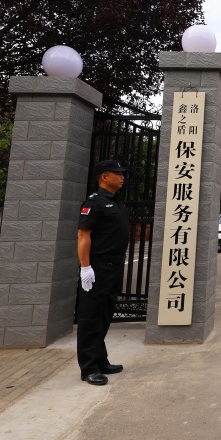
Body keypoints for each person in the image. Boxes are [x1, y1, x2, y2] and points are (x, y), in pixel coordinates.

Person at [76, 160, 131, 386]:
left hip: (114, 267)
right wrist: (85, 267)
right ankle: (88, 368)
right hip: (98, 267)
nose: (122, 176)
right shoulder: (94, 203)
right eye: (117, 173)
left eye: (122, 173)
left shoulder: (116, 203)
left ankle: (100, 360)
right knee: (90, 317)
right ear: (104, 177)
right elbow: (83, 235)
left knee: (104, 315)